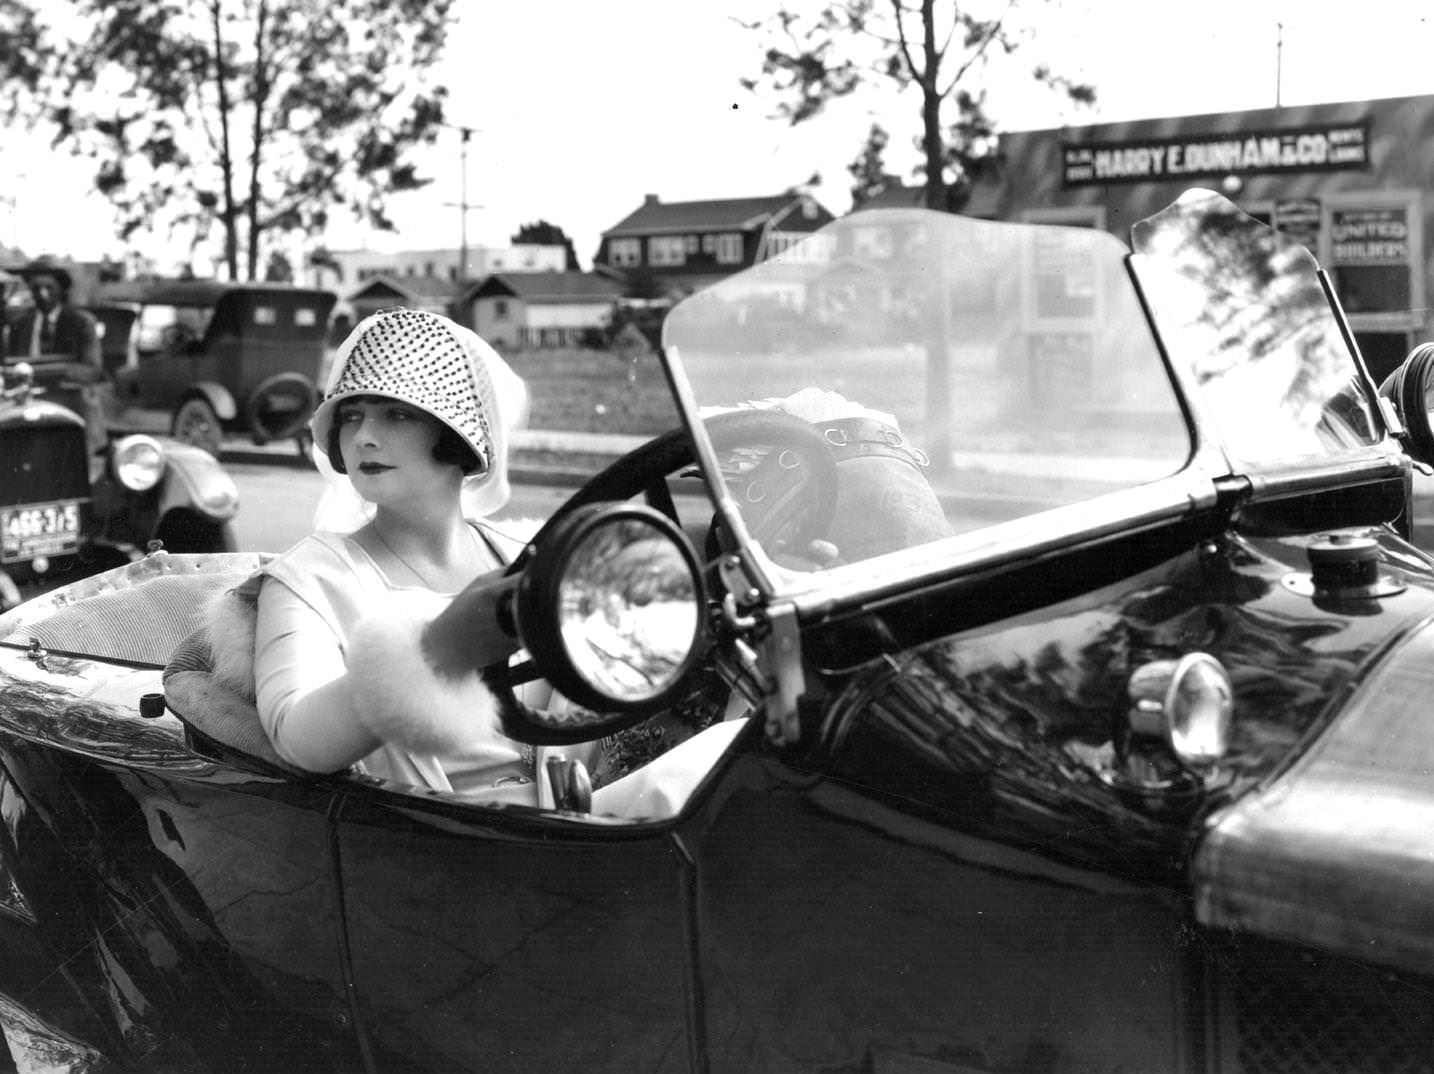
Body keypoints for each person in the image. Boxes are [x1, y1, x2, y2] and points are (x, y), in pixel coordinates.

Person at [241, 307, 741, 815]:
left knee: (755, 750)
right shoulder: (311, 577)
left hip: (583, 821)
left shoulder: (523, 551)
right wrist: (439, 651)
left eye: (396, 413)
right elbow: (298, 739)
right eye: (351, 415)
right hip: (448, 843)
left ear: (457, 433)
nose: (364, 436)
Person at [5, 257, 109, 464]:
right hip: (28, 406)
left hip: (70, 406)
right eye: (36, 288)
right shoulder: (19, 325)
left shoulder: (81, 323)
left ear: (61, 290)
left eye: (49, 288)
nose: (43, 294)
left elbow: (93, 370)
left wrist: (56, 372)